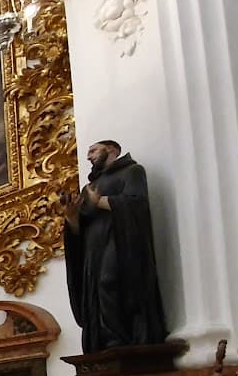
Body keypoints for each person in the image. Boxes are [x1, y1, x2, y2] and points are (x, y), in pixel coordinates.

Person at [64, 140, 169, 353]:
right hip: (93, 249)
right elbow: (80, 227)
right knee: (95, 291)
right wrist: (71, 216)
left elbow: (137, 204)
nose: (89, 156)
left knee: (109, 282)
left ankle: (121, 338)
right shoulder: (89, 187)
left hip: (120, 240)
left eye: (93, 150)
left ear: (111, 150)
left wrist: (99, 201)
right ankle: (106, 340)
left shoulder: (132, 171)